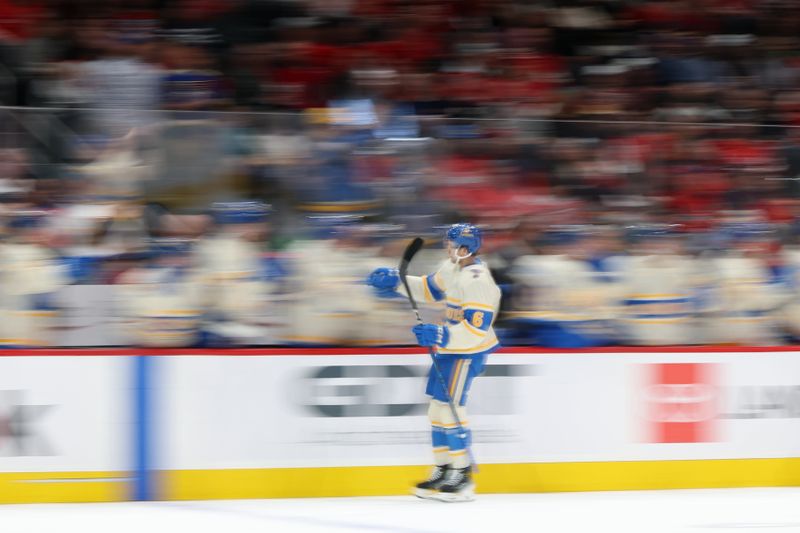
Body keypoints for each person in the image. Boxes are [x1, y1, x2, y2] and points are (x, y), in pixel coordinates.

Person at [367, 223, 502, 502]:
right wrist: (397, 281)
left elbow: (477, 329)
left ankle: (461, 474)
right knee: (437, 410)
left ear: (467, 248)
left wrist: (441, 333)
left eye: (451, 244)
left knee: (451, 409)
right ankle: (443, 468)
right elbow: (430, 290)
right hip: (452, 346)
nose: (447, 247)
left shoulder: (477, 280)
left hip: (468, 350)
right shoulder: (452, 267)